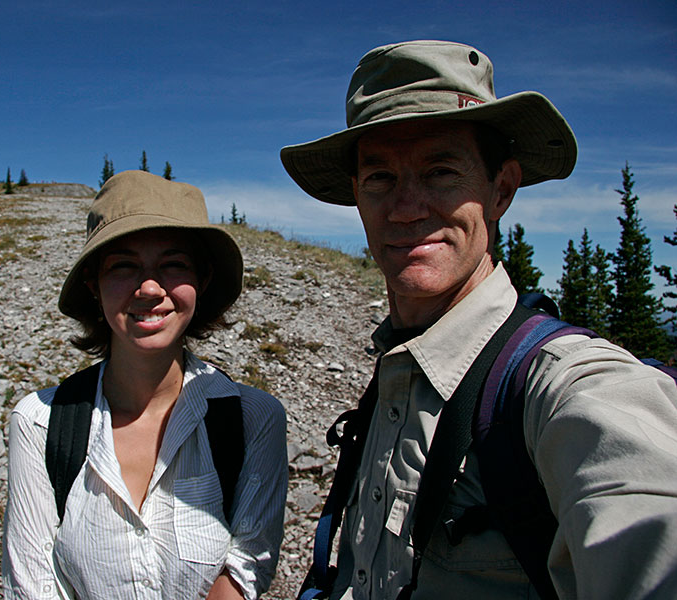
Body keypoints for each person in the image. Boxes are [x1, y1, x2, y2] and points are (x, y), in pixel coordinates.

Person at [281, 40, 677, 599]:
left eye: (441, 171)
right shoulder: (393, 374)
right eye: (379, 178)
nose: (406, 207)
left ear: (502, 189)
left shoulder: (569, 389)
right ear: (357, 196)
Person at [2, 170, 287, 599]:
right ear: (93, 286)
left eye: (174, 264)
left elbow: (247, 565)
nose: (150, 288)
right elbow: (31, 587)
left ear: (202, 281)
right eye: (123, 266)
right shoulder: (40, 424)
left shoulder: (253, 420)